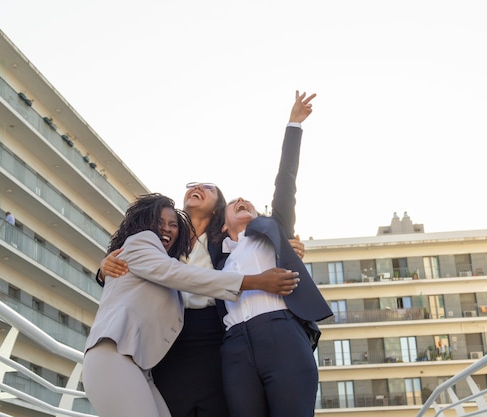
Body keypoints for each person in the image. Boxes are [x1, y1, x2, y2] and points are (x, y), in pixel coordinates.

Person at [82, 193, 300, 417]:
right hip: (118, 353)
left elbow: (244, 247)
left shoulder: (216, 244)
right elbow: (177, 274)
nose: (166, 228)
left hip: (147, 363)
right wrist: (254, 282)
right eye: (159, 222)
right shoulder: (142, 241)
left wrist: (284, 247)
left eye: (172, 224)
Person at [218, 90, 333, 417]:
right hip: (234, 346)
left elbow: (286, 181)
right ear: (223, 226)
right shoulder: (217, 258)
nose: (241, 200)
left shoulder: (273, 231)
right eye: (233, 203)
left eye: (247, 203)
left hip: (281, 333)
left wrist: (293, 125)